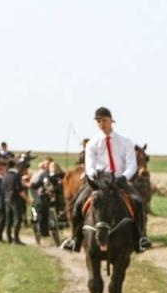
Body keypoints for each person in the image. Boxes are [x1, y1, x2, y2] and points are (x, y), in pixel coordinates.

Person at [63, 106, 150, 252]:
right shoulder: (92, 143)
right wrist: (95, 180)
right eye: (98, 121)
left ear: (111, 120)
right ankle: (75, 239)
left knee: (139, 202)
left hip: (119, 181)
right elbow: (89, 167)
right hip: (99, 183)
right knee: (77, 204)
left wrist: (123, 178)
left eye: (104, 120)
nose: (101, 124)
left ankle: (140, 239)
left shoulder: (126, 142)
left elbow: (131, 165)